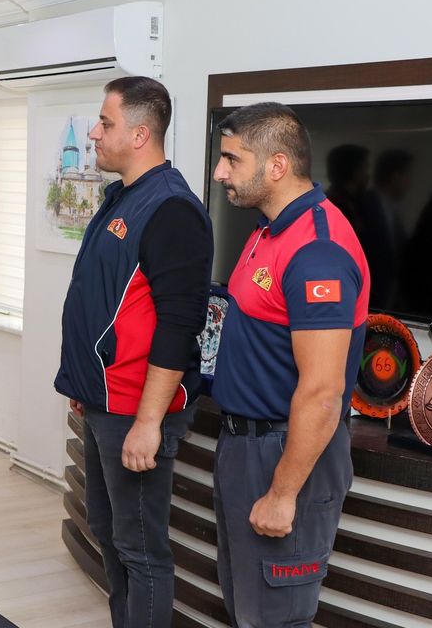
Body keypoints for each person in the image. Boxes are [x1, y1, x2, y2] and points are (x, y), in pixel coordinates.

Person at [54, 77, 213, 628]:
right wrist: (84, 384)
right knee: (108, 531)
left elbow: (178, 326)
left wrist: (149, 422)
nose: (94, 134)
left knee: (141, 549)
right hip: (106, 401)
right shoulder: (122, 196)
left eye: (106, 123)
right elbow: (103, 302)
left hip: (136, 409)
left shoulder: (172, 210)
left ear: (141, 134)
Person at [210, 102, 370, 627]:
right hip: (244, 446)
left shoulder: (318, 252)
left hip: (285, 452)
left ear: (277, 165)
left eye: (232, 159)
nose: (220, 172)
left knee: (274, 618)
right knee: (246, 608)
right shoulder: (269, 229)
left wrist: (283, 493)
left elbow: (323, 393)